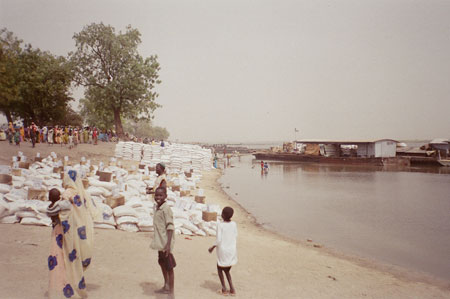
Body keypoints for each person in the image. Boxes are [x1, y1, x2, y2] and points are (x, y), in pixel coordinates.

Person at [46, 170, 99, 299]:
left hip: (66, 233)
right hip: (81, 232)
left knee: (63, 258)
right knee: (75, 258)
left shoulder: (66, 194)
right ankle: (76, 284)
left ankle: (64, 288)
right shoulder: (84, 193)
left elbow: (56, 211)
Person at [151, 187, 176, 297]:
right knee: (162, 263)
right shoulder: (158, 208)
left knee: (169, 267)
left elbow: (170, 227)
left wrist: (168, 245)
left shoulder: (166, 209)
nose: (158, 197)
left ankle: (171, 291)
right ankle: (166, 285)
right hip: (160, 243)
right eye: (156, 195)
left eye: (161, 195)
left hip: (165, 244)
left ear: (165, 196)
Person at [208, 207, 238, 296]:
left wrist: (212, 247)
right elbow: (235, 235)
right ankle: (232, 289)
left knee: (220, 268)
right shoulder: (234, 224)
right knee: (227, 270)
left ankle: (224, 289)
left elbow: (218, 239)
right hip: (232, 250)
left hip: (223, 251)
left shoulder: (220, 225)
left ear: (223, 215)